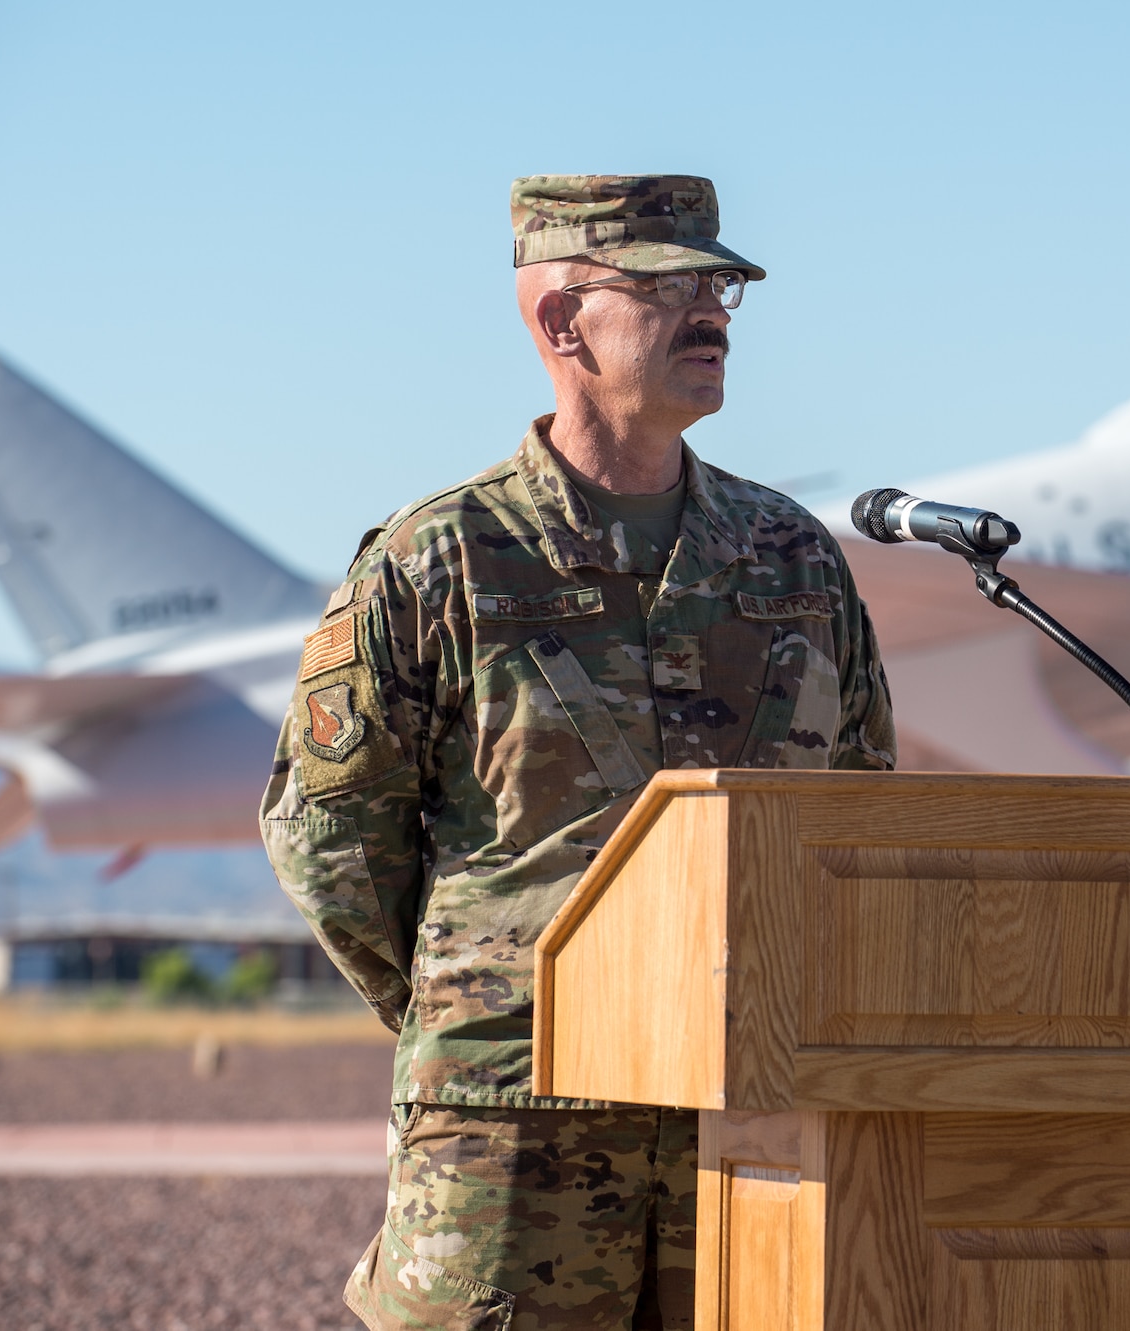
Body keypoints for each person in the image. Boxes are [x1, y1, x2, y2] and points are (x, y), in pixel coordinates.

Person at [259, 173, 897, 1330]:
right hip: (515, 1140)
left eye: (720, 286)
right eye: (667, 287)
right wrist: (492, 997)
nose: (709, 313)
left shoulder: (791, 557)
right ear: (560, 322)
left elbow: (860, 816)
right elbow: (333, 842)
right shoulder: (436, 560)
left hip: (747, 1126)